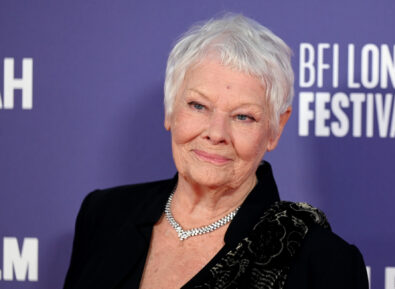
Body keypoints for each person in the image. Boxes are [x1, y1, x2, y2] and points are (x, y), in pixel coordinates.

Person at [63, 14, 369, 289]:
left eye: (243, 116)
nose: (216, 133)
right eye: (198, 106)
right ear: (170, 109)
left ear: (276, 128)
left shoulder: (323, 263)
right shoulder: (103, 215)